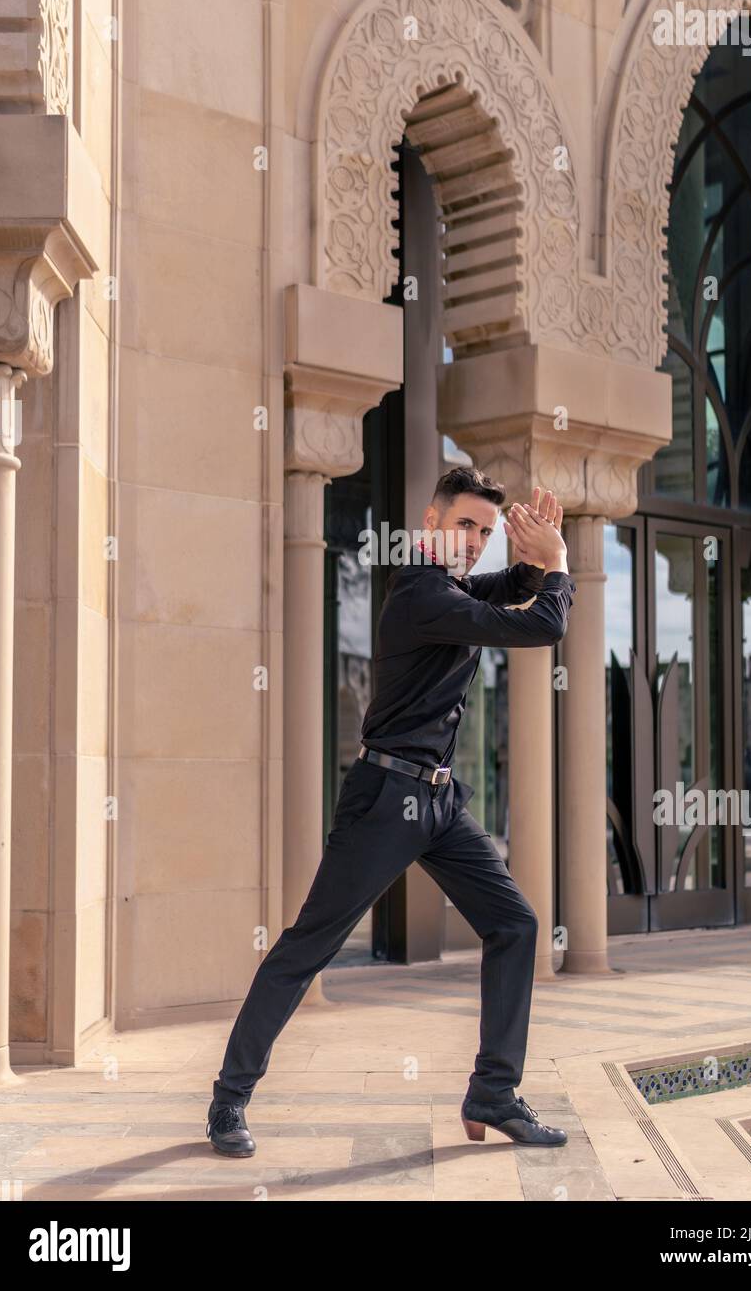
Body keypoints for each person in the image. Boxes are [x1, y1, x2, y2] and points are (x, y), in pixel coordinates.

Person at [206, 466, 576, 1155]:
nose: (475, 540)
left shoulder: (452, 591)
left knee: (516, 925)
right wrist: (556, 566)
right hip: (386, 800)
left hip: (437, 800)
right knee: (308, 947)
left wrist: (530, 564)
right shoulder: (419, 590)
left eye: (488, 532)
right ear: (432, 523)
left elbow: (500, 595)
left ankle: (493, 1093)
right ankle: (228, 1101)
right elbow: (540, 626)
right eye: (465, 524)